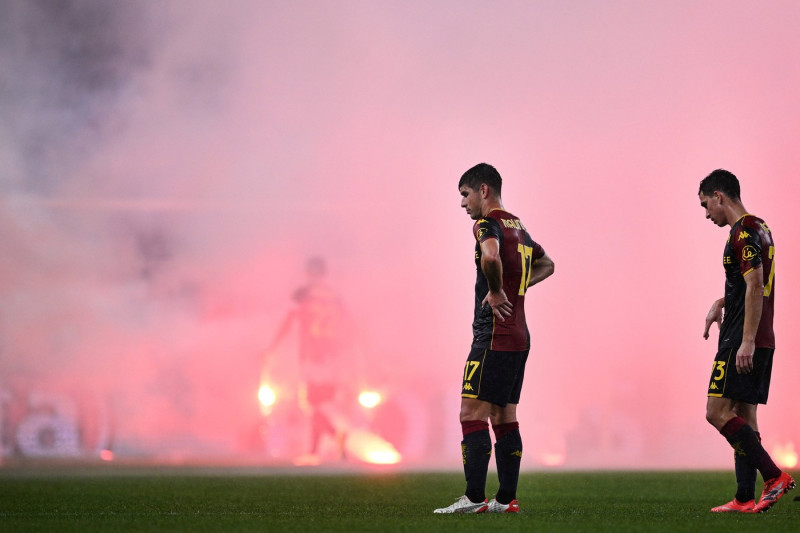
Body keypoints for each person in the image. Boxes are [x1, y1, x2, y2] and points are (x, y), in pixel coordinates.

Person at [434, 163, 554, 514]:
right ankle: (506, 499)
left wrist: (499, 290)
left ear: (483, 190)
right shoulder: (520, 227)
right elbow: (548, 265)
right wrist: (517, 288)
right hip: (519, 333)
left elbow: (489, 256)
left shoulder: (487, 224)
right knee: (504, 416)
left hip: (493, 333)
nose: (463, 203)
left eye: (465, 195)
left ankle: (473, 498)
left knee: (470, 411)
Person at [699, 169, 794, 513]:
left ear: (719, 196)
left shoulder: (741, 233)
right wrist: (721, 301)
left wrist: (746, 341)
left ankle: (773, 476)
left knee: (717, 411)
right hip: (761, 333)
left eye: (706, 204)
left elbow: (755, 285)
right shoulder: (760, 227)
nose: (707, 214)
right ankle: (743, 497)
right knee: (744, 415)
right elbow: (751, 284)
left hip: (743, 336)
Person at [263, 256, 350, 464]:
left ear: (309, 273)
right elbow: (347, 326)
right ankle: (314, 450)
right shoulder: (335, 297)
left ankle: (337, 434)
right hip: (333, 357)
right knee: (321, 404)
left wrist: (272, 347)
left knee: (313, 405)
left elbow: (288, 320)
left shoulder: (302, 295)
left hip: (312, 356)